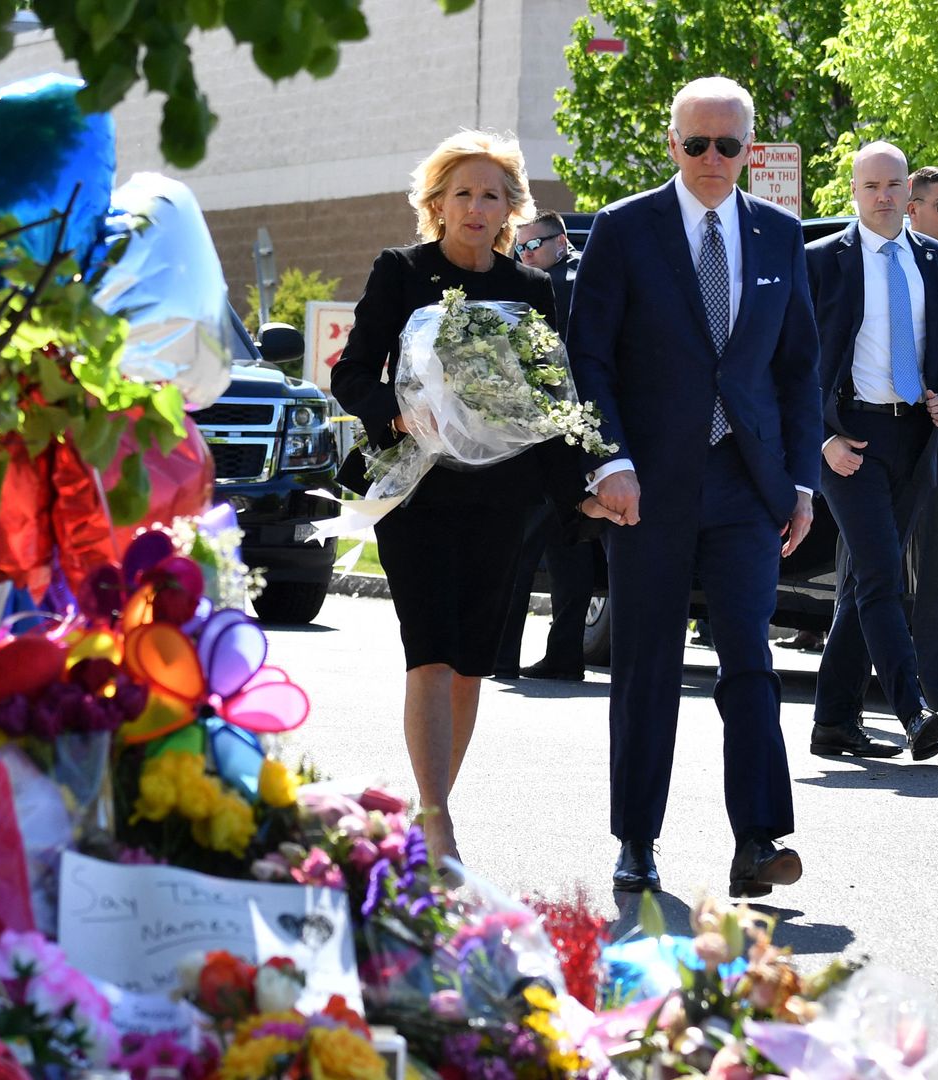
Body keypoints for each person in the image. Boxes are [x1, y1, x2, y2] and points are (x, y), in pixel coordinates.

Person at [566, 77, 821, 898]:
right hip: (648, 484)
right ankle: (636, 839)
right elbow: (589, 358)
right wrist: (609, 464)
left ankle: (759, 839)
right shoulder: (623, 228)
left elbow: (799, 370)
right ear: (671, 142)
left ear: (750, 147)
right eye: (696, 143)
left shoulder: (781, 236)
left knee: (751, 656)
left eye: (729, 145)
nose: (713, 159)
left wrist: (802, 483)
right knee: (647, 663)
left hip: (749, 486)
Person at [330, 131, 613, 865]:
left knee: (470, 663)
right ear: (437, 203)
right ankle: (436, 817)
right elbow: (353, 372)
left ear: (511, 208)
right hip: (420, 489)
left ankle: (429, 820)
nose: (477, 207)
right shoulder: (401, 272)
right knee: (428, 651)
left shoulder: (532, 289)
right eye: (463, 193)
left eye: (492, 195)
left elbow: (553, 399)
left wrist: (586, 488)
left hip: (502, 498)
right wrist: (393, 412)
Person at [811, 167, 938, 752]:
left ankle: (831, 721)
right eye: (871, 185)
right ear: (855, 192)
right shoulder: (822, 260)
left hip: (917, 439)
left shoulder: (936, 263)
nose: (883, 195)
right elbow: (789, 363)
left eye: (893, 185)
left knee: (863, 583)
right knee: (881, 573)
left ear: (908, 194)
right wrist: (819, 440)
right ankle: (913, 711)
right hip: (848, 440)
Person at [496, 211, 600, 682]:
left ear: (560, 241)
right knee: (569, 549)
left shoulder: (552, 285)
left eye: (530, 247)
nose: (523, 257)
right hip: (590, 436)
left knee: (518, 549)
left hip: (544, 435)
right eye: (517, 250)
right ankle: (565, 654)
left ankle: (501, 654)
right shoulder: (593, 277)